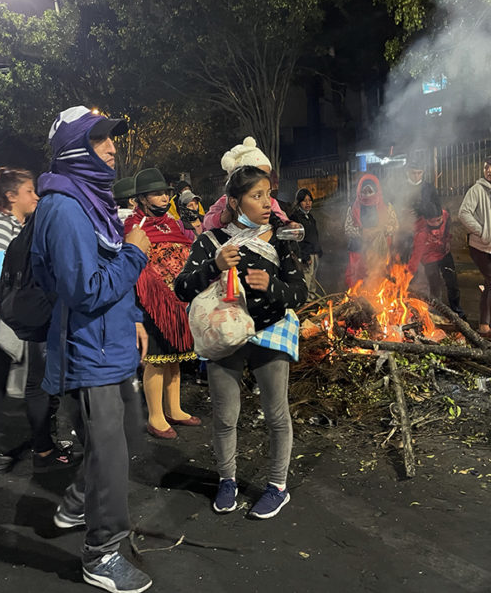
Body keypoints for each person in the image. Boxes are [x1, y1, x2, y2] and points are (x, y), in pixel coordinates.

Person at [30, 106, 153, 593]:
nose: (112, 146)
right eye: (100, 139)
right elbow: (86, 291)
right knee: (110, 454)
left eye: (112, 139)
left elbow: (107, 274)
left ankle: (76, 503)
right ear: (75, 149)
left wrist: (138, 318)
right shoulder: (63, 208)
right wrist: (137, 252)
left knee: (124, 438)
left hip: (113, 341)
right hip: (89, 351)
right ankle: (101, 553)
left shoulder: (90, 201)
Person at [175, 165, 307, 519]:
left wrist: (272, 286)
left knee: (276, 414)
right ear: (235, 202)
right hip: (225, 336)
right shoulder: (211, 241)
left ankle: (277, 486)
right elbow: (182, 288)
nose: (267, 203)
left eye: (268, 194)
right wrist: (213, 266)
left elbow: (299, 292)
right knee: (225, 416)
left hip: (270, 332)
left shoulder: (280, 238)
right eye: (256, 195)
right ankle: (227, 480)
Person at [0, 168, 78, 478]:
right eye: (29, 191)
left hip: (5, 313)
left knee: (10, 383)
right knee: (32, 382)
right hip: (1, 315)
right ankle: (37, 450)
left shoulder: (9, 222)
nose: (35, 196)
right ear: (11, 195)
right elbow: (3, 268)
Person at [124, 167, 199, 440]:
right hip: (151, 302)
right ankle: (155, 417)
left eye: (165, 193)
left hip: (177, 300)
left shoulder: (173, 222)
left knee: (174, 358)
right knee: (155, 359)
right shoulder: (133, 225)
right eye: (157, 194)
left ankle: (174, 409)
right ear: (142, 198)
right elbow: (132, 263)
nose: (164, 198)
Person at [458, 156, 491, 342]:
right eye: (486, 167)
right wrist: (482, 231)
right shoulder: (477, 189)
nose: (489, 170)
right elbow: (463, 213)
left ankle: (484, 326)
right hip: (482, 244)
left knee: (490, 284)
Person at [202, 137, 288, 231]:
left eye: (266, 175)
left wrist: (289, 225)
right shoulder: (224, 202)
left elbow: (282, 221)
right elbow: (207, 222)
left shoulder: (271, 202)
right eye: (256, 196)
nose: (266, 204)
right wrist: (222, 217)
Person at [406, 204, 465, 318]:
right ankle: (436, 315)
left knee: (452, 283)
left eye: (439, 220)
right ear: (426, 220)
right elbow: (415, 258)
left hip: (444, 253)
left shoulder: (445, 215)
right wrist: (406, 277)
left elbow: (448, 225)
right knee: (435, 287)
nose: (437, 224)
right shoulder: (421, 233)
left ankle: (457, 312)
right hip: (429, 258)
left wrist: (447, 239)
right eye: (432, 222)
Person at [344, 174, 399, 288]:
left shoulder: (386, 207)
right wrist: (362, 232)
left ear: (377, 191)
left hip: (380, 250)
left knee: (379, 276)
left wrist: (381, 230)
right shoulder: (353, 208)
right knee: (358, 279)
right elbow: (348, 228)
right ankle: (358, 302)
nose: (367, 195)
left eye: (370, 191)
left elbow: (395, 225)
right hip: (358, 249)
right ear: (360, 191)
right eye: (364, 191)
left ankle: (377, 302)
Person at [287, 187, 322, 299]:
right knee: (306, 278)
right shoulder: (296, 218)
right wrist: (305, 256)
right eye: (304, 200)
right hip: (306, 254)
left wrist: (318, 251)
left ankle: (311, 300)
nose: (308, 203)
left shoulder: (310, 217)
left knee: (313, 279)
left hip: (314, 253)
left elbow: (314, 235)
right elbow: (297, 240)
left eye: (309, 200)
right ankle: (305, 302)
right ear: (299, 202)